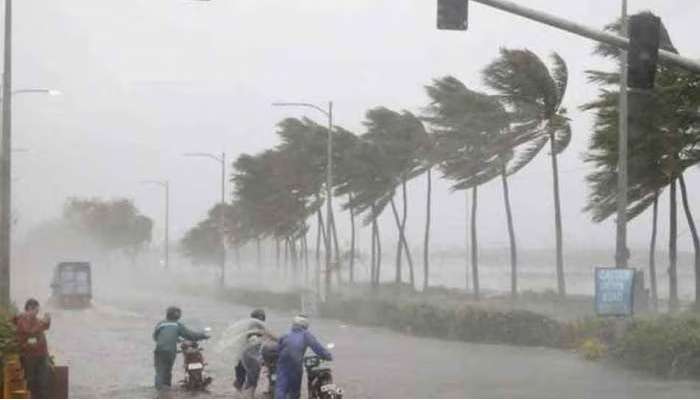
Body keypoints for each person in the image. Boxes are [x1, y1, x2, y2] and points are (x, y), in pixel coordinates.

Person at [275, 314, 332, 399]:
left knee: (281, 388)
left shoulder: (285, 334)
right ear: (305, 325)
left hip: (283, 363)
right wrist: (328, 356)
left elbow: (278, 349)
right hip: (296, 364)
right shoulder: (306, 335)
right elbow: (317, 347)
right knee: (294, 389)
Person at [152, 306, 209, 390]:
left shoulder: (161, 324)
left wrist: (171, 340)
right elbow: (190, 335)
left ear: (167, 314)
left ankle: (159, 390)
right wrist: (203, 336)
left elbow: (155, 336)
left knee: (160, 370)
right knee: (168, 370)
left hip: (159, 350)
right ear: (178, 316)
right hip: (171, 351)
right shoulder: (177, 325)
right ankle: (166, 388)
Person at [230, 309, 276, 397]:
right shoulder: (253, 328)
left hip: (248, 356)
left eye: (262, 318)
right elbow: (253, 340)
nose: (261, 319)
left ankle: (242, 393)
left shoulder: (259, 327)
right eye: (259, 317)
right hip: (246, 356)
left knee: (246, 377)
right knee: (245, 378)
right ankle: (244, 394)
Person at [13, 298, 51, 399]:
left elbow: (45, 326)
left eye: (37, 310)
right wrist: (43, 323)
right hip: (29, 356)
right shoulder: (22, 319)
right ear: (29, 308)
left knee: (43, 381)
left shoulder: (35, 319)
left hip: (41, 354)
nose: (37, 312)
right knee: (31, 381)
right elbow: (30, 331)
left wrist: (47, 320)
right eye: (36, 310)